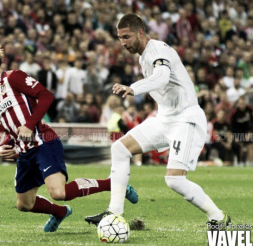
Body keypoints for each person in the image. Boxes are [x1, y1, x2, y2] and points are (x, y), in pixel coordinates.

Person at [0, 41, 138, 233]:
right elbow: (11, 129)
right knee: (24, 204)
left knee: (58, 192)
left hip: (44, 142)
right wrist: (2, 146)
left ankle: (113, 183)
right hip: (25, 153)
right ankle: (60, 213)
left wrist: (30, 125)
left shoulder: (13, 77)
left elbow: (46, 95)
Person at [85, 14, 230, 230]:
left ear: (140, 33)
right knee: (119, 149)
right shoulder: (144, 56)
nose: (123, 43)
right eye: (120, 38)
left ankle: (218, 217)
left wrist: (134, 87)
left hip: (185, 119)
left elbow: (161, 77)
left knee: (175, 180)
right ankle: (114, 213)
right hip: (164, 119)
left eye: (126, 37)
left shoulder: (159, 51)